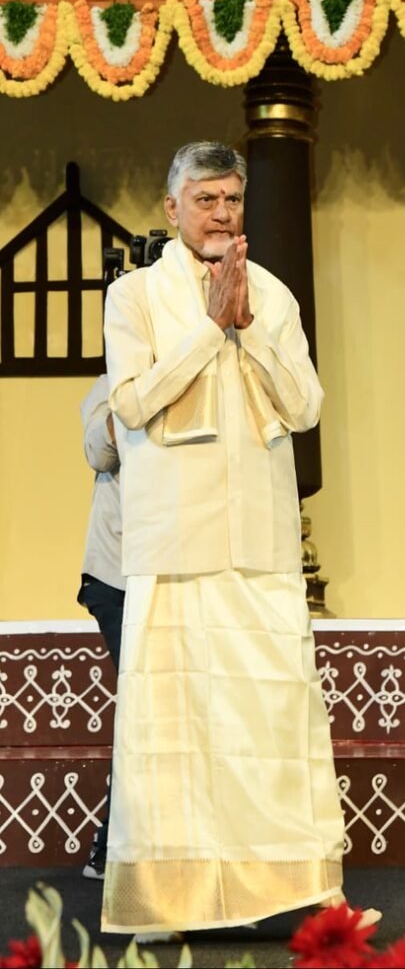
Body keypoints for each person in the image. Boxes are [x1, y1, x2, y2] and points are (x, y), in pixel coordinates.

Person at [101, 141, 380, 936]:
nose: (222, 213)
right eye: (206, 199)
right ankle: (165, 906)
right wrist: (206, 330)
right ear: (173, 208)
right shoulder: (134, 296)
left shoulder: (274, 295)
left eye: (232, 199)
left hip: (259, 540)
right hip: (174, 541)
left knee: (274, 723)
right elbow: (130, 405)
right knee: (175, 733)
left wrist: (247, 327)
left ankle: (310, 896)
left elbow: (306, 406)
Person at [77, 374, 125, 880]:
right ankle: (111, 848)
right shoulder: (108, 386)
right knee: (141, 705)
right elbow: (98, 451)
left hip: (170, 571)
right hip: (116, 577)